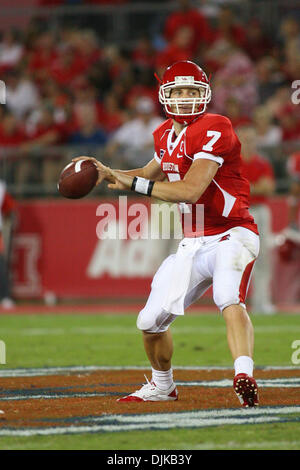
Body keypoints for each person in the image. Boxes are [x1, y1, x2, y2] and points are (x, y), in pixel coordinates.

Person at [74, 60, 260, 408]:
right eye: (179, 91)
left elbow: (190, 190)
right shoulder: (163, 133)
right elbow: (149, 172)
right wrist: (107, 173)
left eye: (193, 91)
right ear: (165, 96)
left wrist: (132, 182)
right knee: (149, 320)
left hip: (232, 233)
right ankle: (163, 386)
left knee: (228, 297)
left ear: (205, 94)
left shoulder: (215, 125)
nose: (187, 98)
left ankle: (243, 374)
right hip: (192, 243)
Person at [237, 125, 276, 314]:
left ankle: (262, 302)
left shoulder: (262, 163)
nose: (248, 143)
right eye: (245, 138)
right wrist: (254, 187)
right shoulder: (231, 163)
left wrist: (245, 187)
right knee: (236, 259)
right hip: (238, 213)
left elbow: (268, 188)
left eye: (251, 139)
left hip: (259, 211)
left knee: (262, 259)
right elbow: (230, 188)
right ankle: (235, 302)